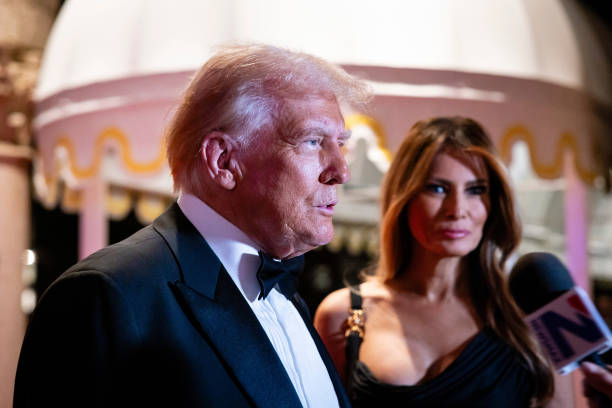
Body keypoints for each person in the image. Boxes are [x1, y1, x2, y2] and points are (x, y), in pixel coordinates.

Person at [14, 44, 370, 407]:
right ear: (224, 161)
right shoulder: (104, 296)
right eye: (312, 142)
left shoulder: (287, 295)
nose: (341, 171)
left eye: (340, 145)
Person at [314, 116, 560, 407]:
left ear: (494, 201)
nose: (457, 210)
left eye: (476, 190)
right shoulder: (342, 314)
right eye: (438, 189)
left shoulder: (539, 310)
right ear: (403, 198)